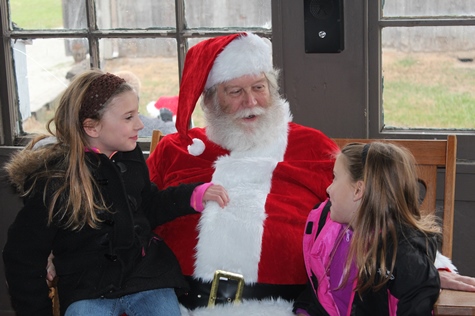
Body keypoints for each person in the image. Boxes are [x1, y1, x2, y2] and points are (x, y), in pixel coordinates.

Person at [146, 32, 475, 316]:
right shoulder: (175, 151)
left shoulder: (310, 146)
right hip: (177, 307)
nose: (251, 102)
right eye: (235, 92)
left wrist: (429, 268)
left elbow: (376, 209)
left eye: (259, 87)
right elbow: (131, 214)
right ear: (209, 99)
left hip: (287, 309)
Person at [2, 69, 229, 316]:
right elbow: (21, 254)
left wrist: (192, 195)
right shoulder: (55, 182)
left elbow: (147, 205)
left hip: (145, 278)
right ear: (92, 127)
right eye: (129, 117)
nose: (140, 124)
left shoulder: (129, 158)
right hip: (86, 287)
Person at [294, 142, 441, 315]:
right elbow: (314, 294)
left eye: (334, 177)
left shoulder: (405, 261)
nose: (328, 188)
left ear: (358, 190)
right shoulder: (327, 234)